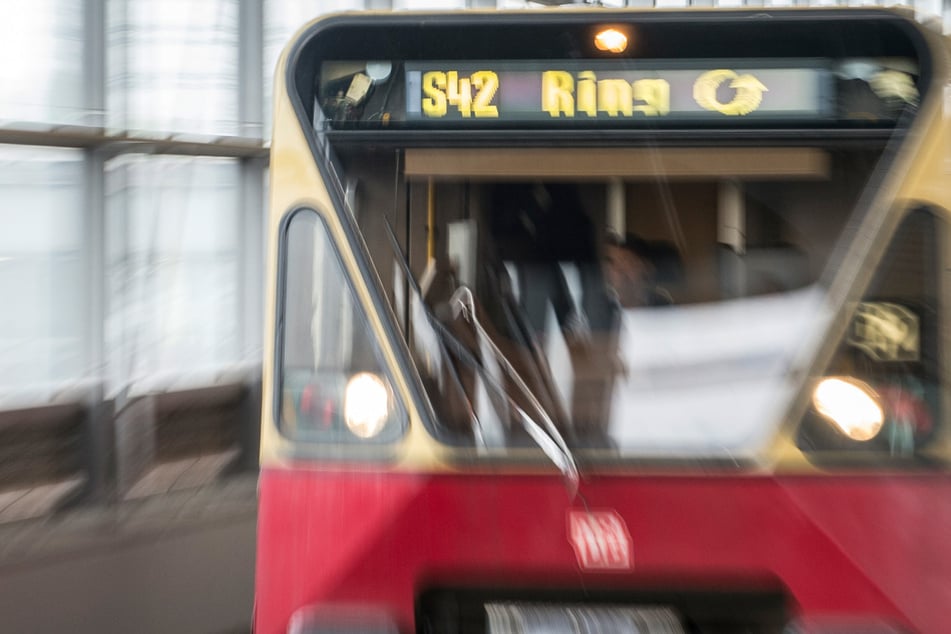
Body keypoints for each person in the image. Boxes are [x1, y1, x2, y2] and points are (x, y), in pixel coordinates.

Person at [603, 233, 674, 308]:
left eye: (627, 261)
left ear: (647, 267)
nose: (618, 269)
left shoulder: (661, 305)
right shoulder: (600, 304)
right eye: (611, 262)